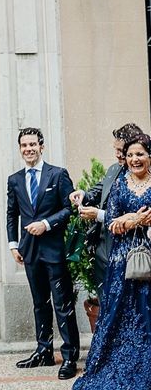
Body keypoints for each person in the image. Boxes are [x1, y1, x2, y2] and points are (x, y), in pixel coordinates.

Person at [73, 133, 151, 389]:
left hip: (148, 256)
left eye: (139, 154)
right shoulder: (120, 183)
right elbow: (113, 222)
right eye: (129, 155)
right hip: (123, 264)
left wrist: (132, 221)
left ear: (149, 156)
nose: (134, 159)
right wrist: (133, 217)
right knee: (118, 316)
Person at [6, 128, 80, 380]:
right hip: (29, 251)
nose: (28, 149)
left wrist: (46, 224)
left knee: (62, 303)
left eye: (32, 144)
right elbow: (12, 214)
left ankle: (69, 356)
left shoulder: (57, 175)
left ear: (41, 147)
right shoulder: (14, 179)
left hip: (54, 250)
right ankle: (44, 351)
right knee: (40, 304)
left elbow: (70, 209)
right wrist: (13, 244)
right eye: (24, 145)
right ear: (20, 149)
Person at [69, 123, 144, 303]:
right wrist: (84, 194)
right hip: (102, 250)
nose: (117, 154)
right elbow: (99, 190)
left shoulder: (143, 175)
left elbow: (137, 216)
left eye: (120, 150)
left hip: (130, 252)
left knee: (127, 305)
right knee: (105, 304)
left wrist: (98, 215)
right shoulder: (113, 169)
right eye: (115, 149)